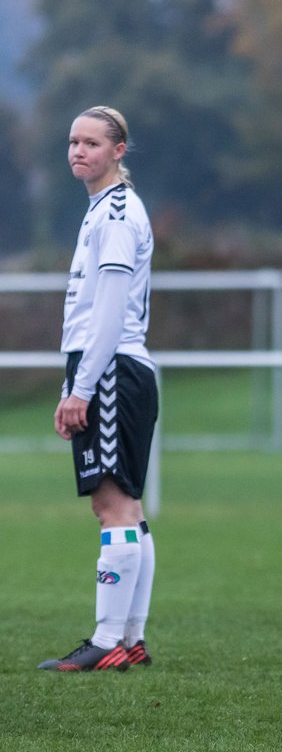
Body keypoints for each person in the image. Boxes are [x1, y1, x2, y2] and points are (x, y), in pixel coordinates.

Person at [39, 106, 158, 672]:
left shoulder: (114, 213)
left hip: (109, 369)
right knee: (129, 509)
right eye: (72, 142)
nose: (78, 151)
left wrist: (81, 388)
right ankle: (130, 637)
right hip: (114, 369)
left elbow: (109, 312)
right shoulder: (103, 209)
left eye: (91, 142)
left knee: (111, 506)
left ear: (119, 151)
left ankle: (108, 640)